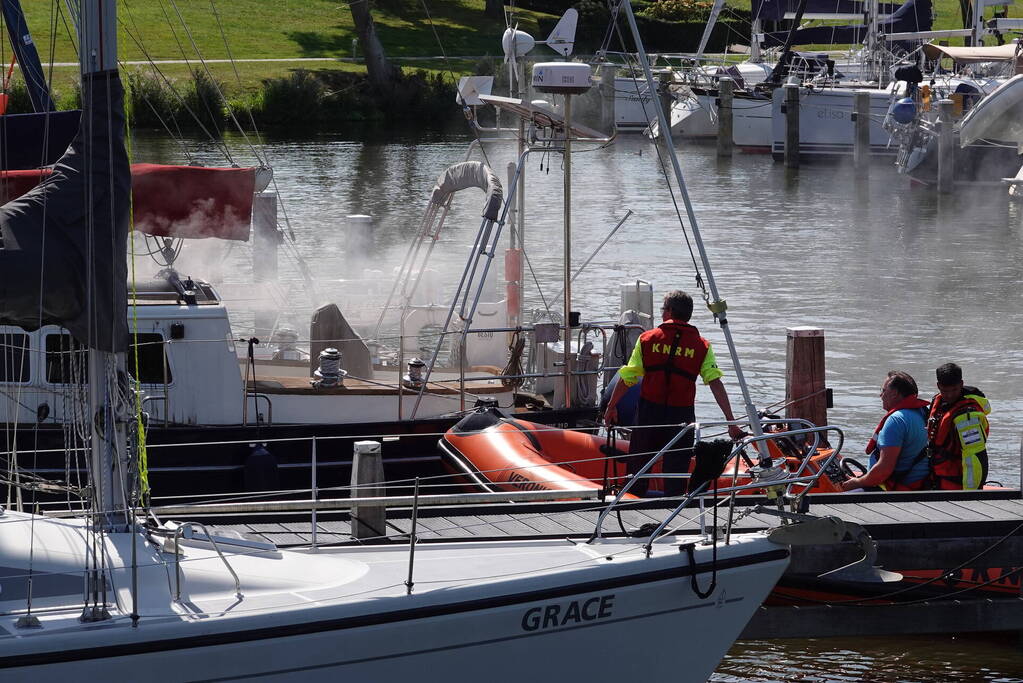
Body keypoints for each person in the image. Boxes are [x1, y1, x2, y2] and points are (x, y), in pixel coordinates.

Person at [603, 290, 744, 497]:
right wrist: (731, 422)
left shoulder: (647, 339)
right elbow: (715, 383)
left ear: (669, 311)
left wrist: (611, 407)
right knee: (676, 475)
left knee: (637, 471)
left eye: (663, 309)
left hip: (649, 415)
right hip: (681, 417)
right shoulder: (702, 346)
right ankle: (675, 508)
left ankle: (630, 505)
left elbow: (627, 378)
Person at [838, 370, 929, 492]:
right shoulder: (923, 413)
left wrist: (857, 482)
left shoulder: (897, 420)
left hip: (893, 489)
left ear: (894, 394)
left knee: (832, 498)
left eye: (883, 390)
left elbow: (883, 471)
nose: (880, 395)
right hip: (920, 485)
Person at [926, 363, 991, 490]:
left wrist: (970, 494)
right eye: (945, 391)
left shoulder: (967, 418)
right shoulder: (938, 403)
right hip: (937, 480)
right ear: (938, 386)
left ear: (961, 384)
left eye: (954, 390)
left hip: (955, 486)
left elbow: (976, 458)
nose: (949, 395)